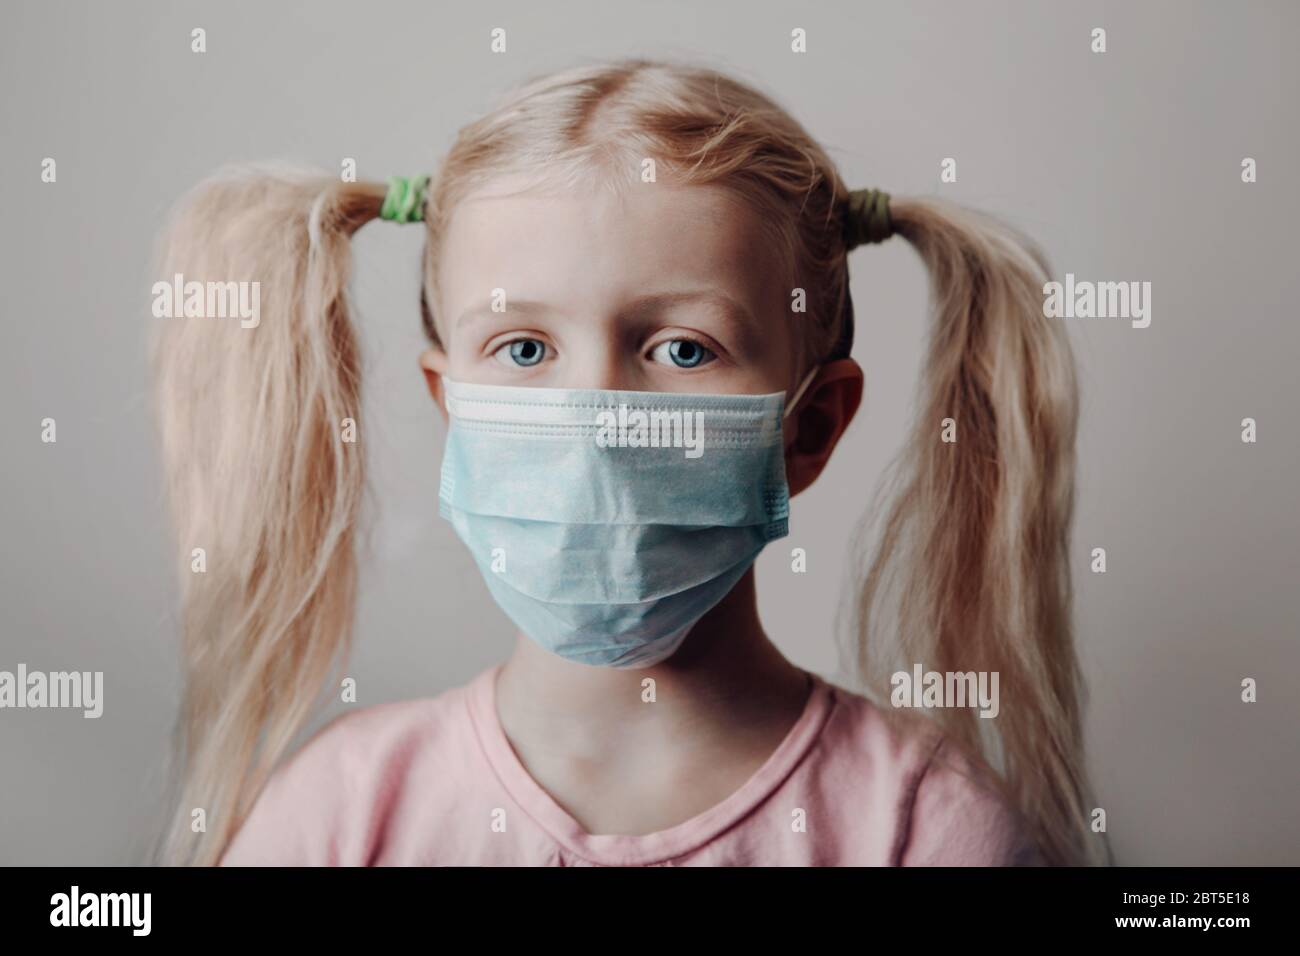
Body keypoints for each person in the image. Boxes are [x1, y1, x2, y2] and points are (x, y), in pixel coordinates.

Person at [152, 57, 1103, 866]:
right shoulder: (337, 814)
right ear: (453, 411)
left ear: (807, 428)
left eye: (683, 348)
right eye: (523, 348)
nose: (592, 423)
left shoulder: (925, 828)